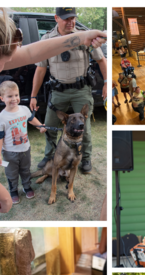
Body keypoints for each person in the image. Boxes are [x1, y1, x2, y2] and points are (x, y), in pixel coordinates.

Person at [0, 7, 105, 215]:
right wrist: (4, 197)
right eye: (5, 64)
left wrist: (81, 37)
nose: (8, 65)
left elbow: (29, 53)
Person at [30, 8, 107, 174]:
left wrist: (107, 82)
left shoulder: (84, 37)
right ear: (56, 18)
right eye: (66, 19)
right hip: (58, 91)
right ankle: (49, 156)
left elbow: (101, 60)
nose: (71, 22)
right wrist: (33, 95)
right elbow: (40, 69)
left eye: (73, 18)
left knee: (83, 127)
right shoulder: (47, 40)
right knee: (50, 126)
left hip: (81, 91)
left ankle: (85, 158)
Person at [0, 81, 47, 204]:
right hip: (9, 153)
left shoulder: (24, 109)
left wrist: (40, 126)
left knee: (25, 170)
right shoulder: (1, 117)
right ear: (2, 98)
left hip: (25, 149)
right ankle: (13, 191)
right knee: (11, 173)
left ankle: (27, 186)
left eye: (16, 95)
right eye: (10, 96)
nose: (14, 99)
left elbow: (31, 119)